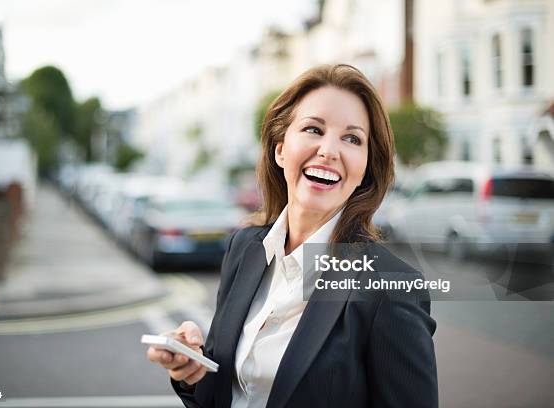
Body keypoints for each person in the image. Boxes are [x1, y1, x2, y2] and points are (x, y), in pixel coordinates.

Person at [147, 64, 438, 408]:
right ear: (280, 149)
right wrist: (191, 370)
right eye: (314, 129)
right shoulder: (244, 248)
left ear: (364, 169)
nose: (329, 150)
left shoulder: (390, 287)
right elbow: (222, 395)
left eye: (351, 138)